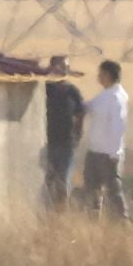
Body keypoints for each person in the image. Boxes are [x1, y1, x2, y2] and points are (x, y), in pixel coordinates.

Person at [79, 59, 129, 220]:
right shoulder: (103, 95)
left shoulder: (116, 97)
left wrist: (114, 152)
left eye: (100, 74)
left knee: (113, 191)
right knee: (92, 191)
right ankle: (93, 221)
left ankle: (122, 222)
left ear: (107, 75)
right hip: (95, 150)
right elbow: (88, 107)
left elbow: (118, 126)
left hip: (109, 154)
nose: (98, 77)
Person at [42, 76, 84, 209]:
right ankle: (47, 212)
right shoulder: (46, 89)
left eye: (64, 67)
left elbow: (80, 114)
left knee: (63, 181)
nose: (61, 71)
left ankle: (61, 213)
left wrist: (77, 135)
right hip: (48, 143)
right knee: (48, 180)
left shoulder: (73, 92)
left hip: (67, 144)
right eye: (58, 66)